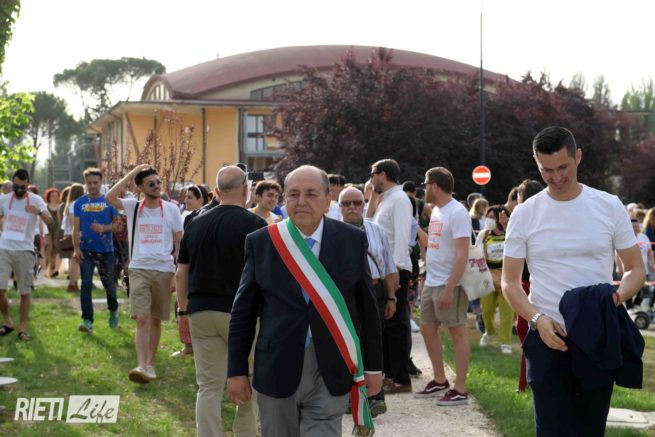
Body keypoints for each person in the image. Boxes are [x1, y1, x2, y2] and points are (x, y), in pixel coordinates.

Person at [502, 126, 645, 436]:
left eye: (562, 167)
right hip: (546, 335)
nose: (555, 177)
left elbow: (635, 268)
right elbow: (509, 282)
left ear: (578, 156)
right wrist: (537, 319)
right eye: (546, 170)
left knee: (590, 431)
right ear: (536, 163)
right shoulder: (524, 214)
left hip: (596, 336)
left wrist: (615, 298)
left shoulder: (608, 205)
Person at [227, 165, 383, 437]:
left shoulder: (351, 240)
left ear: (327, 199)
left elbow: (368, 309)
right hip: (277, 364)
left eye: (311, 194)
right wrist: (236, 371)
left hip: (332, 366)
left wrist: (373, 367)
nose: (301, 202)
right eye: (293, 194)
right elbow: (243, 313)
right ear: (284, 199)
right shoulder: (262, 242)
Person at [175, 165, 265, 436]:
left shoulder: (194, 223)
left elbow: (181, 273)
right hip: (242, 314)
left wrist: (182, 312)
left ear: (215, 191)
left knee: (208, 386)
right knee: (249, 379)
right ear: (246, 189)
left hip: (200, 312)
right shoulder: (256, 225)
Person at [106, 165, 184, 383]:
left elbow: (180, 243)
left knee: (156, 320)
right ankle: (141, 365)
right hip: (139, 268)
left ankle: (150, 364)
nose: (157, 186)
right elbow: (109, 197)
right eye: (151, 183)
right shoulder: (133, 206)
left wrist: (177, 272)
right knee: (142, 318)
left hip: (164, 270)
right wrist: (132, 174)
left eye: (158, 182)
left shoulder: (171, 209)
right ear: (140, 187)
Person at [415, 167, 471, 405]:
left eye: (426, 184)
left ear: (435, 186)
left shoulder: (457, 212)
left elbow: (462, 254)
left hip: (450, 283)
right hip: (432, 280)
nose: (424, 189)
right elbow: (435, 243)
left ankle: (460, 388)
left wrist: (449, 289)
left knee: (457, 331)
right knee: (427, 328)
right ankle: (440, 379)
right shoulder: (437, 210)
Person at [339, 186, 397, 417]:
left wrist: (391, 297)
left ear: (364, 204)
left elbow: (388, 266)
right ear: (339, 207)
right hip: (345, 295)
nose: (352, 207)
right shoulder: (331, 231)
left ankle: (375, 396)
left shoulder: (376, 230)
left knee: (373, 341)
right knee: (348, 343)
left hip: (374, 290)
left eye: (357, 202)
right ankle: (350, 396)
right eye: (346, 203)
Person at [369, 159, 413, 394]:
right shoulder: (386, 199)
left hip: (396, 269)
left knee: (396, 326)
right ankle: (390, 375)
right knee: (386, 326)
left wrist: (394, 271)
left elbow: (402, 238)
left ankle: (401, 379)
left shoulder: (399, 200)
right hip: (386, 269)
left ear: (383, 174)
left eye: (373, 174)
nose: (371, 179)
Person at [0, 169, 52, 341]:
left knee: (24, 291)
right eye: (16, 186)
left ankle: (22, 329)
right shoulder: (4, 199)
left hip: (25, 250)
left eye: (22, 187)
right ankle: (8, 322)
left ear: (28, 185)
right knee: (0, 289)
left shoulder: (36, 200)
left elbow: (50, 221)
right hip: (4, 248)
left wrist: (38, 211)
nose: (19, 190)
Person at [73, 168, 120, 333]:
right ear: (85, 183)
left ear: (101, 182)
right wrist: (76, 248)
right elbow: (76, 228)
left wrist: (103, 228)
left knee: (109, 286)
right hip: (86, 250)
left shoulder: (109, 201)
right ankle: (87, 321)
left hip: (106, 251)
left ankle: (113, 311)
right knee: (86, 284)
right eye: (89, 183)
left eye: (95, 182)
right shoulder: (79, 203)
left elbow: (118, 226)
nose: (92, 186)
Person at [513, 178, 544, 393]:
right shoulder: (544, 218)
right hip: (534, 283)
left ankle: (527, 383)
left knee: (527, 334)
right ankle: (527, 383)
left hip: (527, 284)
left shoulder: (524, 218)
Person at [173, 184, 209, 359]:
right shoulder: (187, 217)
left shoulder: (203, 218)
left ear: (200, 199)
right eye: (185, 196)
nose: (186, 200)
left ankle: (196, 345)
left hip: (197, 269)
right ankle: (188, 345)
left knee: (189, 306)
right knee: (181, 305)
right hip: (187, 265)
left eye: (190, 197)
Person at [476, 204, 514, 354]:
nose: (488, 220)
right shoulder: (484, 235)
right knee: (486, 310)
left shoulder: (510, 232)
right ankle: (489, 332)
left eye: (492, 217)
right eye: (487, 217)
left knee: (507, 312)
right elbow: (477, 255)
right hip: (487, 277)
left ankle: (505, 342)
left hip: (507, 277)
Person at [61, 184, 84, 292]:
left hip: (69, 234)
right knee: (76, 260)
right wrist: (78, 232)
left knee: (74, 260)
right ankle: (72, 283)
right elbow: (72, 220)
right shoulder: (75, 204)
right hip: (75, 234)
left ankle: (74, 283)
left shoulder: (70, 204)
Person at [43, 188, 62, 278]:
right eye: (52, 196)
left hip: (57, 230)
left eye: (56, 196)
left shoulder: (60, 207)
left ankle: (54, 270)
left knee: (56, 250)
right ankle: (46, 268)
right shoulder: (45, 207)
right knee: (49, 249)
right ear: (48, 197)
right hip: (47, 230)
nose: (54, 197)